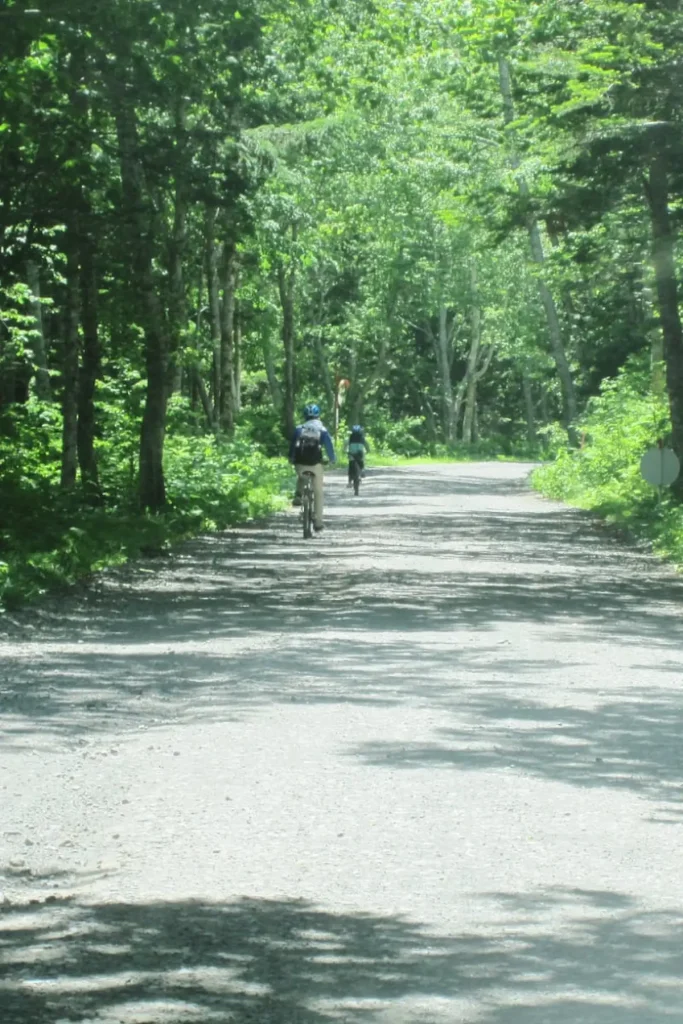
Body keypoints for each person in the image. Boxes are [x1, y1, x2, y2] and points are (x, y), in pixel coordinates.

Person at [289, 403, 336, 532]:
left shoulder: (299, 429)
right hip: (316, 464)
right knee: (318, 492)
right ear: (318, 415)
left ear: (305, 416)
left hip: (300, 463)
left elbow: (293, 446)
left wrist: (291, 459)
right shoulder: (322, 430)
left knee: (301, 475)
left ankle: (298, 494)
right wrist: (332, 459)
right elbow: (329, 447)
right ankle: (318, 522)